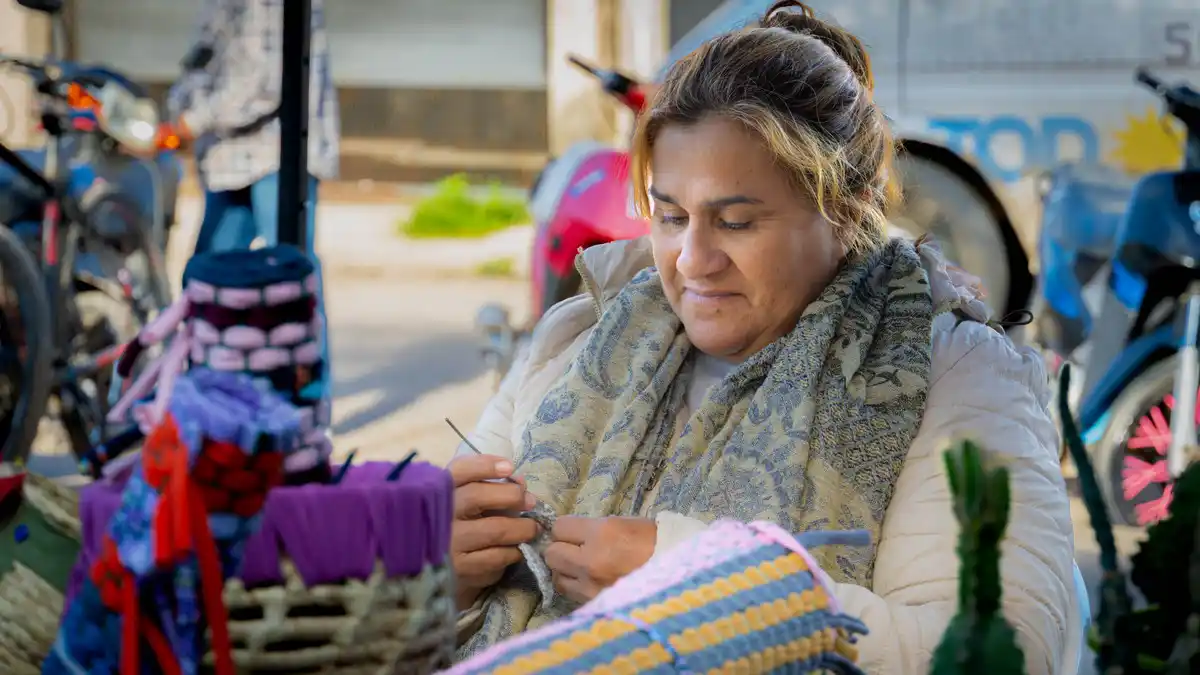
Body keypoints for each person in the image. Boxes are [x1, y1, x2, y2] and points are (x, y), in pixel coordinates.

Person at [447, 2, 1077, 673]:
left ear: (845, 208)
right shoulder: (580, 338)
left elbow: (1002, 653)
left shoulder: (955, 375)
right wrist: (439, 569)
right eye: (670, 215)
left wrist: (692, 581)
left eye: (737, 221)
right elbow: (412, 618)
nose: (692, 258)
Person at [166, 0, 339, 396]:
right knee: (205, 275)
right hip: (227, 156)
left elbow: (264, 83)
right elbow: (201, 63)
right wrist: (171, 115)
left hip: (275, 151)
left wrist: (188, 123)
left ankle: (309, 400)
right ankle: (209, 391)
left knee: (292, 276)